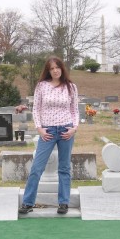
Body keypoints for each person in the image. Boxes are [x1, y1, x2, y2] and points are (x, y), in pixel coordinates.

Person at [18, 56, 79, 215]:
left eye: (57, 67)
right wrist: (39, 129)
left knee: (64, 168)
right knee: (37, 167)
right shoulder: (41, 86)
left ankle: (63, 203)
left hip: (66, 130)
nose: (55, 70)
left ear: (62, 68)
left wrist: (74, 128)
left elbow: (75, 110)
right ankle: (28, 202)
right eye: (51, 68)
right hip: (48, 132)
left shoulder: (70, 87)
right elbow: (36, 109)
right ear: (48, 71)